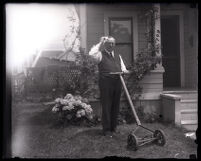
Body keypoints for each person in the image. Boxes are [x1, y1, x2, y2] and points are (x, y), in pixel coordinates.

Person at [89, 36, 129, 137]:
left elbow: (123, 67)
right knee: (106, 106)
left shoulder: (118, 55)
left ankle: (113, 128)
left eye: (112, 43)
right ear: (105, 44)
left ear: (114, 44)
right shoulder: (100, 55)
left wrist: (125, 71)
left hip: (118, 82)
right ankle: (106, 130)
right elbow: (91, 54)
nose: (111, 45)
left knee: (116, 105)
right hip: (106, 83)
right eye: (108, 43)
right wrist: (100, 42)